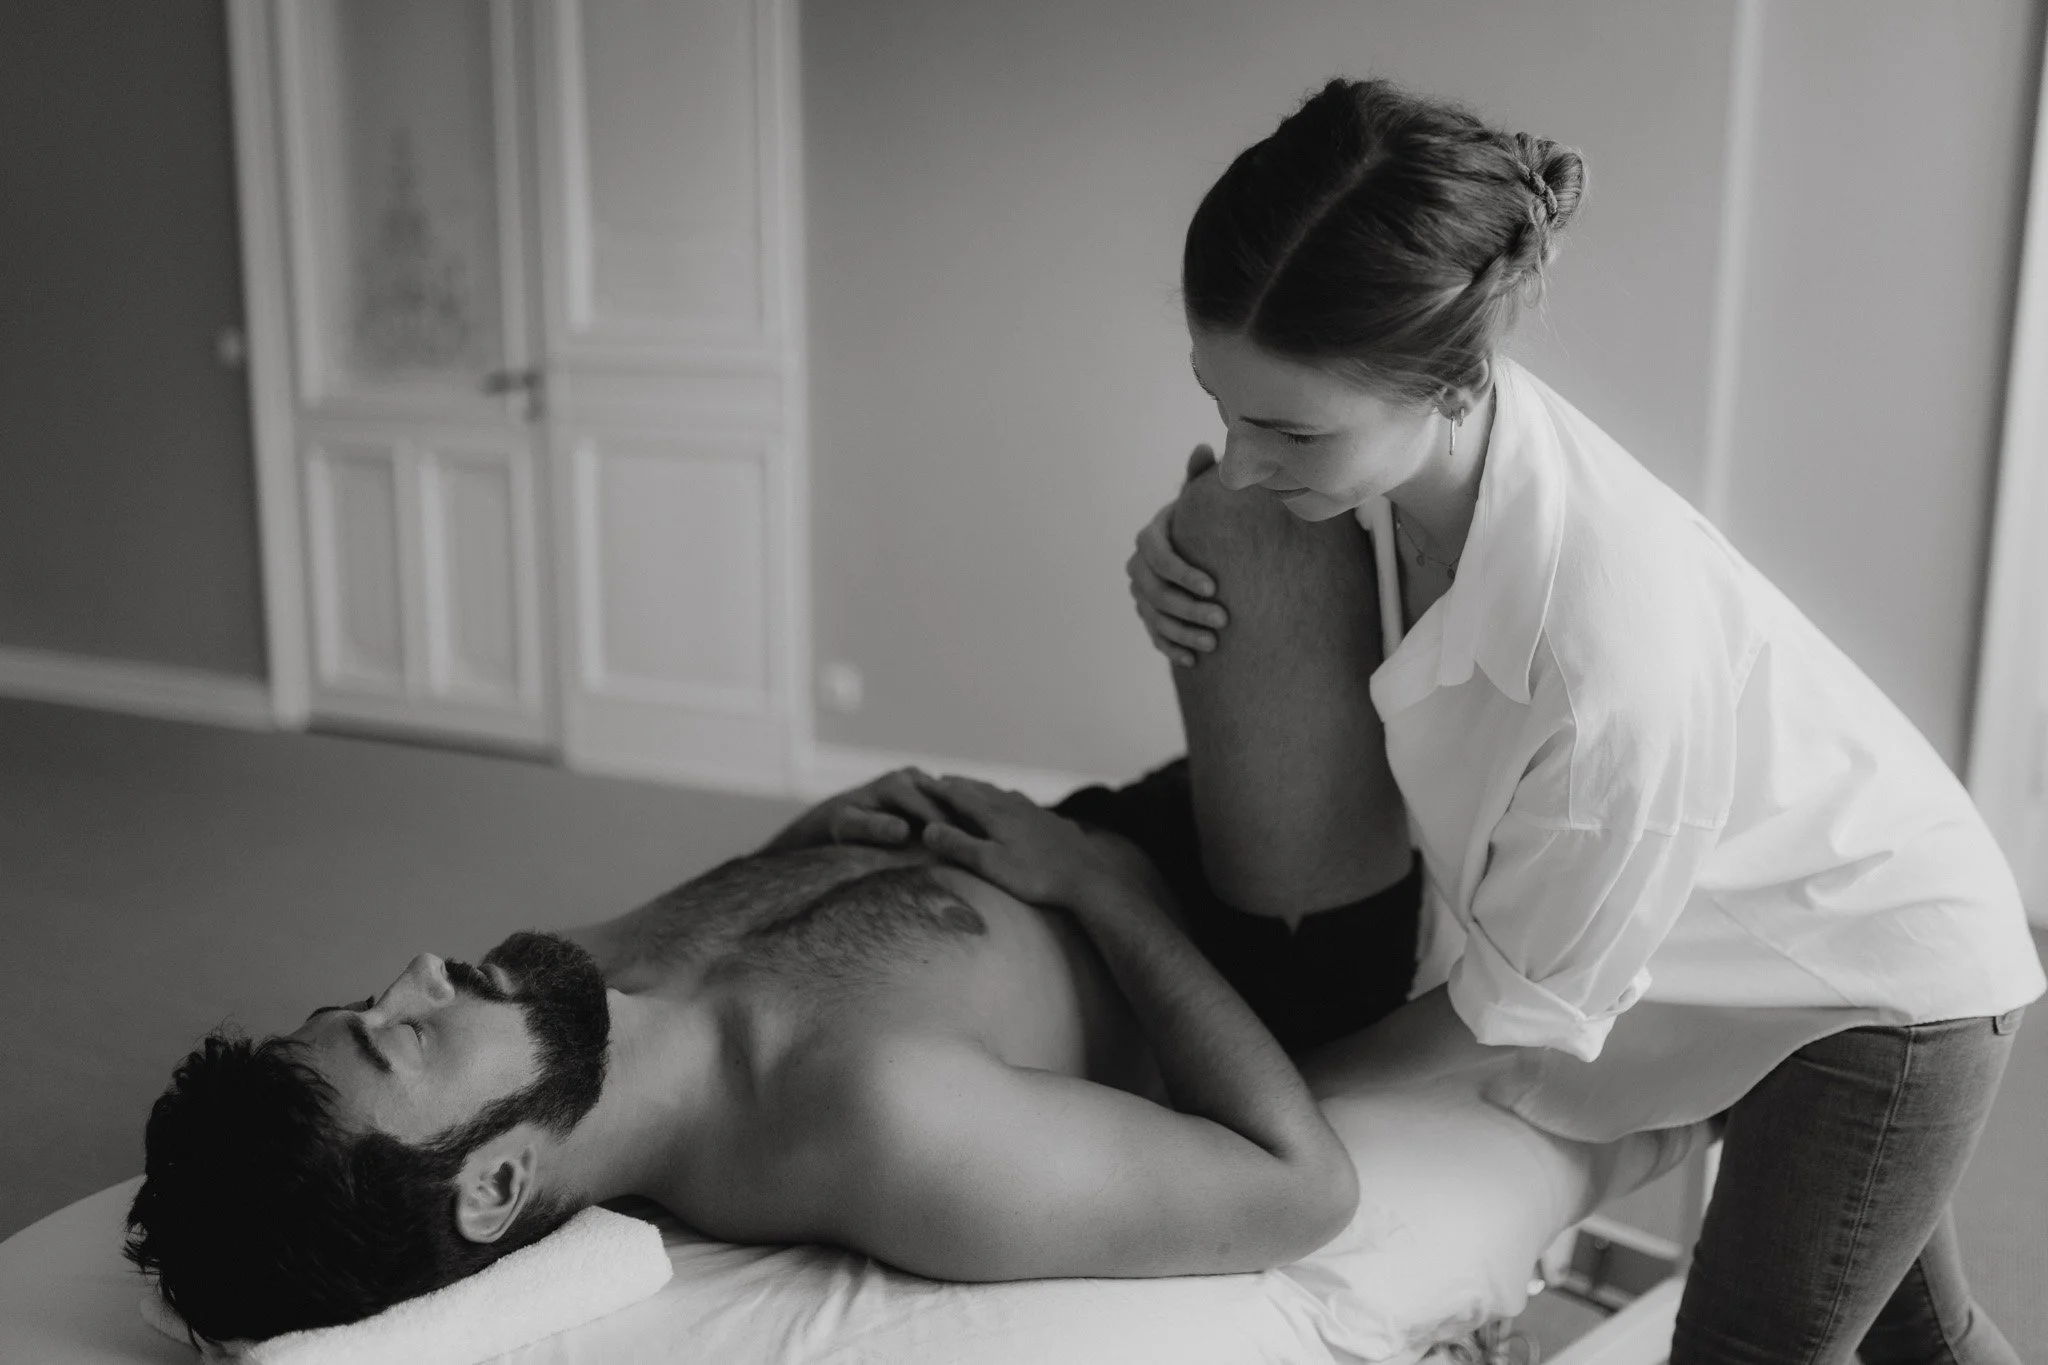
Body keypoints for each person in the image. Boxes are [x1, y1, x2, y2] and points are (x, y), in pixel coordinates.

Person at [1123, 76, 2045, 1364]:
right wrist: (1172, 547)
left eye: (1285, 432)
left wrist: (1268, 1095)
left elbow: (1510, 1010)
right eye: (1220, 407)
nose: (1239, 464)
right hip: (1778, 925)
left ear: (1452, 384)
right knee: (1924, 1344)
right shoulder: (1395, 459)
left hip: (1878, 984)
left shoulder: (1606, 653)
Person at [125, 770, 1373, 1344]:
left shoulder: (560, 988)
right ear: (495, 1181)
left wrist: (813, 847)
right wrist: (1098, 887)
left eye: (364, 1002)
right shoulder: (875, 1122)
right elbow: (1300, 1189)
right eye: (402, 1034)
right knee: (1257, 520)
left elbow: (760, 946)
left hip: (1115, 811)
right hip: (1261, 919)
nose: (418, 971)